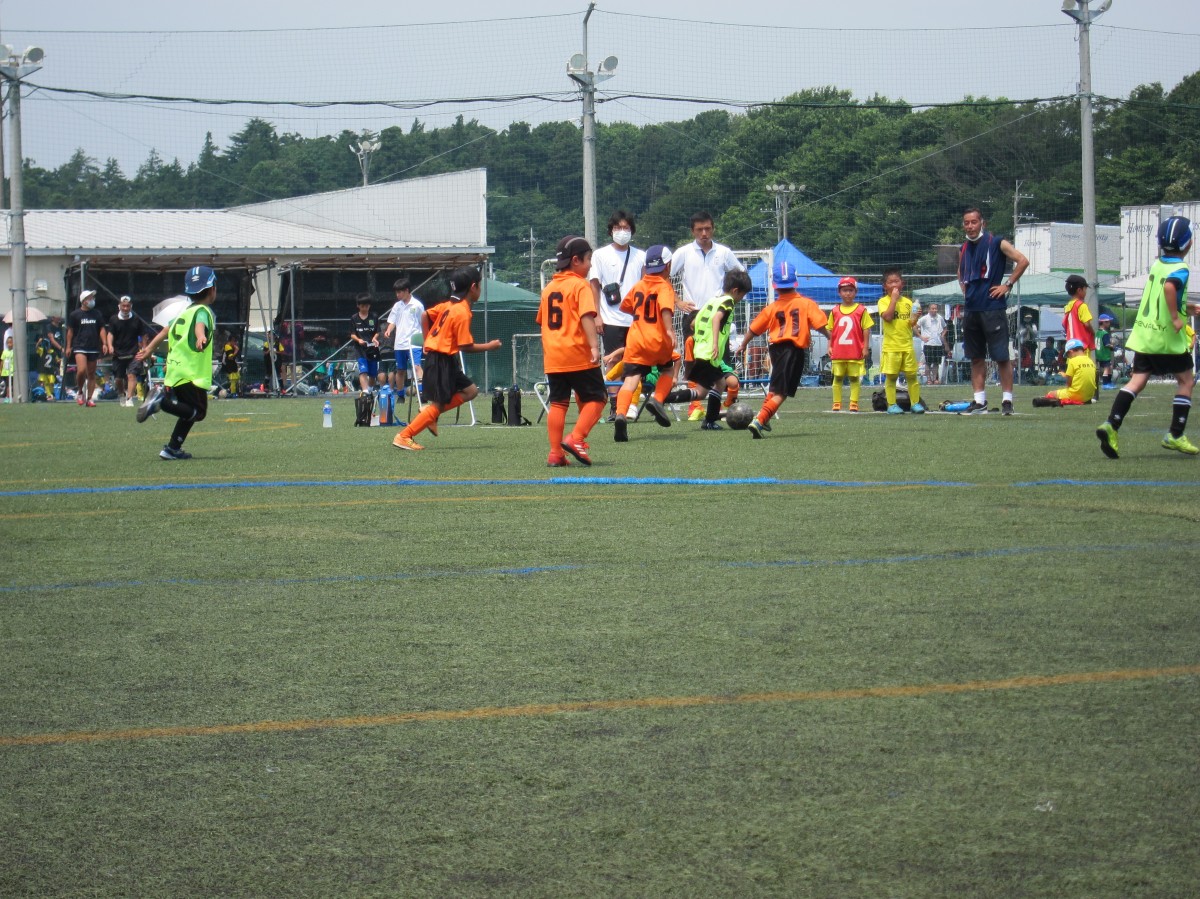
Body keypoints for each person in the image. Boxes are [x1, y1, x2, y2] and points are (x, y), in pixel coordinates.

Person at [1097, 215, 1199, 458]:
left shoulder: (1157, 264)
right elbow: (1169, 288)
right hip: (1166, 338)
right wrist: (1176, 317)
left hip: (1145, 334)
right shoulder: (1181, 268)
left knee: (1137, 381)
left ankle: (1111, 424)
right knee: (1186, 381)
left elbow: (1161, 295)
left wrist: (1186, 308)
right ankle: (1175, 434)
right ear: (1189, 243)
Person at [392, 266, 500, 451]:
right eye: (480, 285)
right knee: (438, 404)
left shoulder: (448, 306)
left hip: (444, 359)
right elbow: (465, 346)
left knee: (471, 391)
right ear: (473, 287)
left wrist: (427, 340)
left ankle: (430, 413)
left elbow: (425, 315)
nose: (480, 289)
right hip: (441, 360)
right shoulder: (462, 312)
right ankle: (404, 435)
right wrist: (489, 346)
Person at [134, 265, 218, 460]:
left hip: (175, 370)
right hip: (191, 373)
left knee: (188, 411)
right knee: (198, 412)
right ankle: (161, 402)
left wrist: (149, 349)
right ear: (213, 288)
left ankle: (172, 448)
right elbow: (200, 326)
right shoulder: (203, 311)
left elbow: (164, 331)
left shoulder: (183, 313)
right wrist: (201, 337)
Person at [538, 235, 607, 466]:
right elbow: (587, 316)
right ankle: (576, 438)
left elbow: (541, 321)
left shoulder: (549, 288)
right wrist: (594, 346)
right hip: (577, 352)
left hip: (553, 356)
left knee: (558, 403)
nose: (590, 265)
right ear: (576, 260)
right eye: (588, 260)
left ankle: (555, 454)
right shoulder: (580, 285)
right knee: (598, 397)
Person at [740, 261, 828, 438]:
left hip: (775, 349)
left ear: (775, 285)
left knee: (776, 385)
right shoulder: (806, 303)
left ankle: (764, 417)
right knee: (782, 392)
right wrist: (830, 337)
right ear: (795, 281)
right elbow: (820, 325)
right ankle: (759, 420)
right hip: (793, 350)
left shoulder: (771, 308)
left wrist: (743, 344)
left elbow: (754, 329)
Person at [958, 207, 1029, 415]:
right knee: (976, 357)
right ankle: (979, 401)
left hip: (992, 308)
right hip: (972, 310)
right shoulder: (963, 247)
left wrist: (1007, 285)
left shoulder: (997, 242)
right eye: (966, 222)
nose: (970, 226)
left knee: (1001, 357)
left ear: (983, 223)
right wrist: (965, 290)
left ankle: (1007, 401)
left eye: (974, 222)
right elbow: (961, 272)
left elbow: (1023, 260)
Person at [607, 245, 679, 442]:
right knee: (667, 370)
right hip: (657, 340)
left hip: (636, 340)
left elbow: (625, 306)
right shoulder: (664, 286)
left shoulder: (638, 285)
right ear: (668, 265)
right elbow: (665, 309)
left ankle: (621, 414)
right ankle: (657, 400)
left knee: (630, 379)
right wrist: (669, 329)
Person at [663, 270, 752, 429]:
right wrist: (715, 343)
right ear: (735, 291)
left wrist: (701, 339)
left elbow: (694, 322)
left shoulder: (713, 300)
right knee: (717, 385)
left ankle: (663, 399)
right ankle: (708, 421)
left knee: (704, 391)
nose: (741, 299)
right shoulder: (728, 302)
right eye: (742, 295)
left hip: (702, 351)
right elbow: (716, 319)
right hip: (710, 353)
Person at [587, 211, 644, 418]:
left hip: (635, 319)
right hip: (610, 317)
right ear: (611, 230)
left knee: (635, 361)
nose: (622, 231)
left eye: (626, 227)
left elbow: (645, 286)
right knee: (612, 360)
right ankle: (614, 404)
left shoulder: (641, 256)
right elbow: (594, 285)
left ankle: (629, 404)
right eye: (618, 227)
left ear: (632, 230)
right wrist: (596, 315)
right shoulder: (600, 255)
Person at [669, 211, 746, 314]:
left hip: (718, 312)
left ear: (713, 229)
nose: (704, 233)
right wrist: (677, 301)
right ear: (692, 231)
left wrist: (729, 299)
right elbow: (663, 277)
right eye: (699, 229)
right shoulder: (684, 252)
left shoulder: (724, 252)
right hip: (692, 313)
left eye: (707, 229)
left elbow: (742, 276)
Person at [878, 267, 925, 415]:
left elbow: (911, 324)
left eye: (896, 281)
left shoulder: (908, 302)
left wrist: (916, 317)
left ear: (902, 283)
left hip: (907, 346)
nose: (894, 285)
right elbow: (887, 317)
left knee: (912, 376)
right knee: (891, 377)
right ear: (885, 286)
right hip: (891, 347)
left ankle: (915, 403)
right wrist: (893, 299)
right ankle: (891, 405)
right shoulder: (883, 301)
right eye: (890, 282)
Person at [826, 276, 874, 412]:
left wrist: (865, 347)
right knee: (837, 377)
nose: (847, 293)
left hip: (855, 350)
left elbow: (866, 329)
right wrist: (829, 346)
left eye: (850, 290)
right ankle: (836, 402)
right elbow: (830, 329)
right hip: (838, 351)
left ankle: (854, 402)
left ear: (855, 292)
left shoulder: (861, 310)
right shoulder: (835, 311)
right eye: (844, 290)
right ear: (839, 292)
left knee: (854, 378)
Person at [382, 277, 425, 399]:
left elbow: (423, 323)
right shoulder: (397, 306)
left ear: (407, 290)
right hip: (399, 344)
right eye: (396, 292)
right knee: (400, 370)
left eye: (399, 292)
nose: (397, 295)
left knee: (416, 367)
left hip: (414, 344)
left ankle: (422, 393)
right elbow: (392, 321)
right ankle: (400, 395)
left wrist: (424, 340)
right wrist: (389, 330)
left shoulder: (418, 305)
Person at [65, 289, 109, 407]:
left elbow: (102, 328)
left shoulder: (97, 314)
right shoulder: (75, 315)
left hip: (93, 346)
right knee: (81, 371)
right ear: (83, 301)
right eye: (89, 298)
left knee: (91, 373)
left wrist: (104, 343)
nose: (92, 300)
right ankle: (80, 392)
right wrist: (68, 347)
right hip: (80, 346)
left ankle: (90, 398)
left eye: (92, 298)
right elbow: (70, 331)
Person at [106, 295, 150, 407]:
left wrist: (144, 349)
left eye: (128, 306)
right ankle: (122, 395)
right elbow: (110, 334)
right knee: (118, 379)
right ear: (119, 306)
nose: (125, 308)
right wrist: (110, 345)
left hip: (133, 353)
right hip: (118, 354)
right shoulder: (114, 319)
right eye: (123, 306)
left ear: (131, 306)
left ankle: (129, 398)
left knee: (131, 375)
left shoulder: (136, 319)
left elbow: (143, 335)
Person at [1032, 339, 1096, 407]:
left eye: (1068, 355)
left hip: (1075, 395)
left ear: (1071, 352)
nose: (1069, 358)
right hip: (1089, 396)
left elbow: (1069, 383)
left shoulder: (1072, 361)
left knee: (1051, 394)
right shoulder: (1090, 361)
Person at [349, 294, 381, 394]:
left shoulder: (374, 317)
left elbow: (378, 331)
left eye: (366, 306)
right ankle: (365, 391)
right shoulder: (354, 318)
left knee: (373, 374)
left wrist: (375, 338)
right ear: (358, 306)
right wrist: (358, 340)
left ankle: (370, 389)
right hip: (360, 349)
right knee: (363, 371)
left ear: (369, 306)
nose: (364, 308)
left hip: (372, 349)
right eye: (362, 306)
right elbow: (352, 334)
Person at [1062, 274, 1096, 352]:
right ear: (1079, 290)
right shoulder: (1081, 305)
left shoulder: (1067, 307)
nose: (1086, 292)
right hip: (1081, 346)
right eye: (1085, 289)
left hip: (1070, 347)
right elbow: (1087, 324)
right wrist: (1093, 332)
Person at [916, 301, 947, 385]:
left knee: (936, 363)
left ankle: (934, 378)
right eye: (933, 309)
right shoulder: (924, 318)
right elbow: (915, 327)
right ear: (929, 309)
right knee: (928, 363)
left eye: (936, 309)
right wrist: (921, 337)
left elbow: (945, 328)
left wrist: (942, 335)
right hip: (928, 344)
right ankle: (929, 379)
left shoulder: (940, 318)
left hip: (938, 344)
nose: (934, 310)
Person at [1096, 312, 1115, 388]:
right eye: (1107, 322)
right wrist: (1112, 346)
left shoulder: (1097, 332)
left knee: (1109, 368)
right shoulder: (1105, 333)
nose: (1109, 323)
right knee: (1106, 369)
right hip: (1105, 354)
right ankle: (1105, 384)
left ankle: (1109, 383)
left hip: (1098, 353)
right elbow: (1106, 344)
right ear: (1103, 322)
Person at [220, 331, 241, 396]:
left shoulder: (230, 347)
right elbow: (230, 357)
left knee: (236, 379)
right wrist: (236, 351)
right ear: (232, 340)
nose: (235, 343)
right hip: (229, 367)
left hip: (232, 366)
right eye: (235, 341)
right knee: (233, 380)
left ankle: (234, 391)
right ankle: (232, 393)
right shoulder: (227, 347)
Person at [1, 334, 13, 402]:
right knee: (7, 385)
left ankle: (8, 396)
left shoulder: (13, 352)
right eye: (8, 343)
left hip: (11, 372)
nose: (9, 344)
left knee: (9, 385)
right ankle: (8, 396)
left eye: (10, 342)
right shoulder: (5, 352)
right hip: (5, 372)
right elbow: (2, 361)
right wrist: (1, 370)